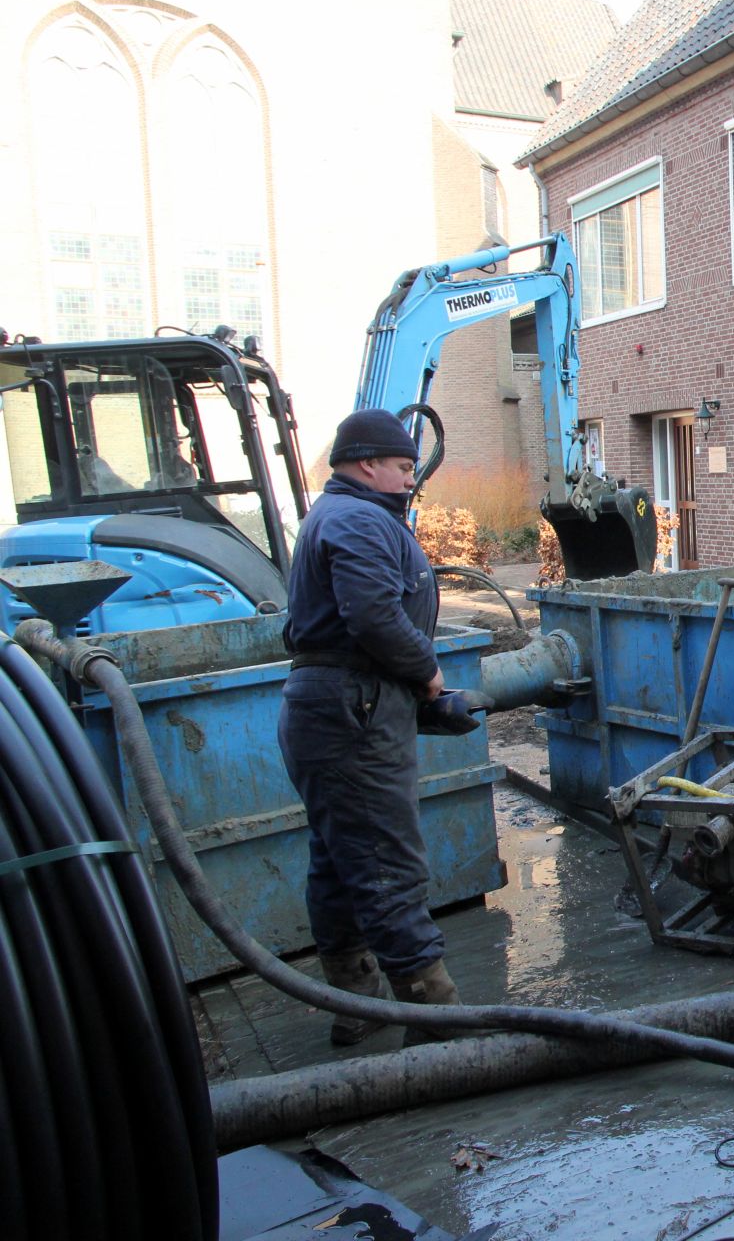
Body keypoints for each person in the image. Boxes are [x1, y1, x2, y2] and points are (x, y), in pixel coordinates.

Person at [280, 407, 461, 1046]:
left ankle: (354, 999)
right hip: (352, 709)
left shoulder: (334, 514)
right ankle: (437, 1026)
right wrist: (429, 676)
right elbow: (374, 616)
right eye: (404, 466)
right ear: (366, 464)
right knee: (386, 864)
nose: (412, 478)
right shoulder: (357, 519)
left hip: (328, 707)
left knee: (339, 861)